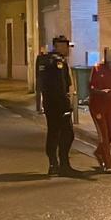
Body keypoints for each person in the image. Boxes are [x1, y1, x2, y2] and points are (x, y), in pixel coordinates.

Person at [36, 36, 76, 176]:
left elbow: (39, 83)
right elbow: (61, 85)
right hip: (59, 104)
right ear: (59, 46)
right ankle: (64, 164)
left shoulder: (43, 59)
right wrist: (67, 104)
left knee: (53, 132)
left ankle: (53, 164)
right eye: (66, 46)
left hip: (48, 102)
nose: (68, 50)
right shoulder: (59, 62)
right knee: (67, 134)